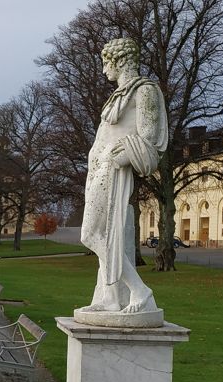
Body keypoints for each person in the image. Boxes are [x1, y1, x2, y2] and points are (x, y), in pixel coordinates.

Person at [79, 38, 167, 315]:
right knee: (102, 235)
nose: (104, 71)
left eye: (106, 63)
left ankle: (140, 291)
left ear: (118, 62)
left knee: (91, 235)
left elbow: (149, 139)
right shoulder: (119, 95)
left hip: (113, 169)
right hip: (98, 172)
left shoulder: (145, 91)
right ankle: (110, 297)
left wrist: (124, 154)